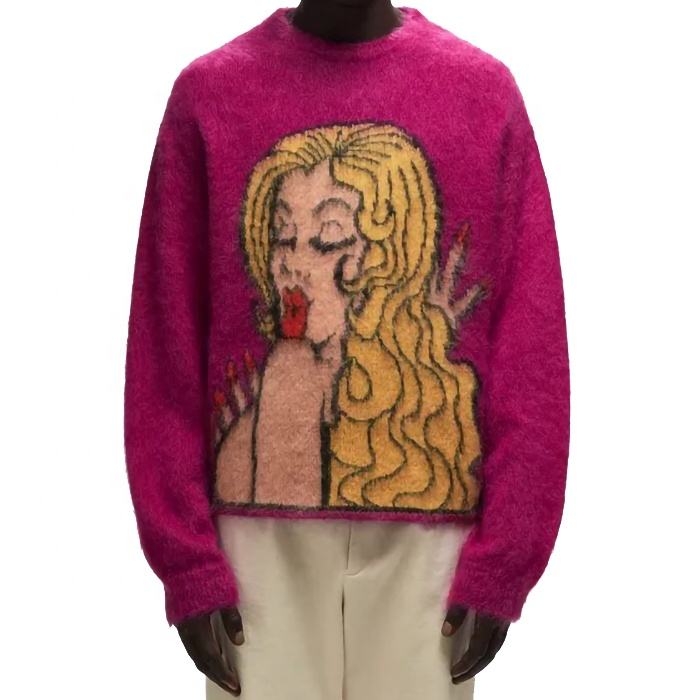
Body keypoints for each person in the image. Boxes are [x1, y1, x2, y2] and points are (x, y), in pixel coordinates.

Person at [123, 2, 570, 698]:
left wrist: (507, 559)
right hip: (251, 551)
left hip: (432, 549)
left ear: (385, 257)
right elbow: (165, 341)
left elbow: (529, 344)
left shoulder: (484, 96)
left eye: (330, 239)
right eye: (282, 237)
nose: (294, 264)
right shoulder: (208, 96)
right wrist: (186, 561)